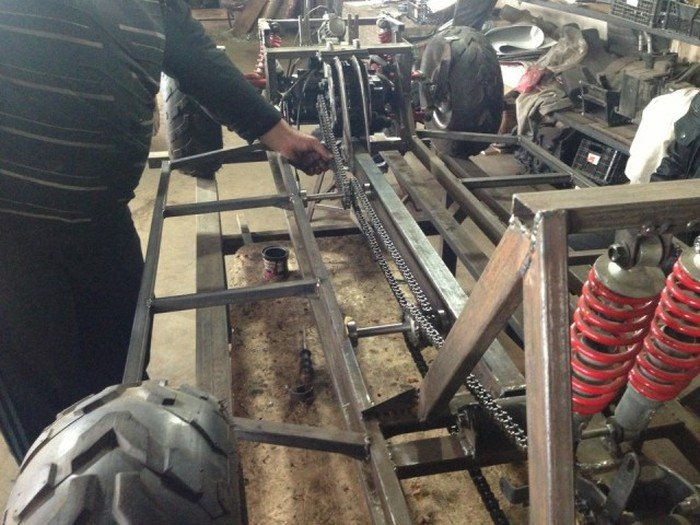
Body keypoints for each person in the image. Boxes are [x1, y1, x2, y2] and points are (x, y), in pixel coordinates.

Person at [0, 0, 331, 462]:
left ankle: (120, 477)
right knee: (47, 425)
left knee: (120, 379)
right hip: (13, 232)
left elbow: (197, 60)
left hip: (103, 218)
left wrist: (282, 136)